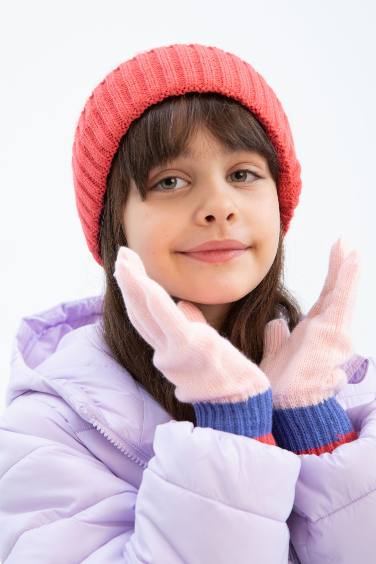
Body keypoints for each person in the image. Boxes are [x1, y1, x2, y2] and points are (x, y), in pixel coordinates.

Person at [0, 43, 375, 564]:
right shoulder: (54, 426)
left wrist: (318, 427)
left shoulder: (355, 394)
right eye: (170, 181)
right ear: (115, 226)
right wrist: (232, 428)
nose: (219, 207)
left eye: (243, 174)